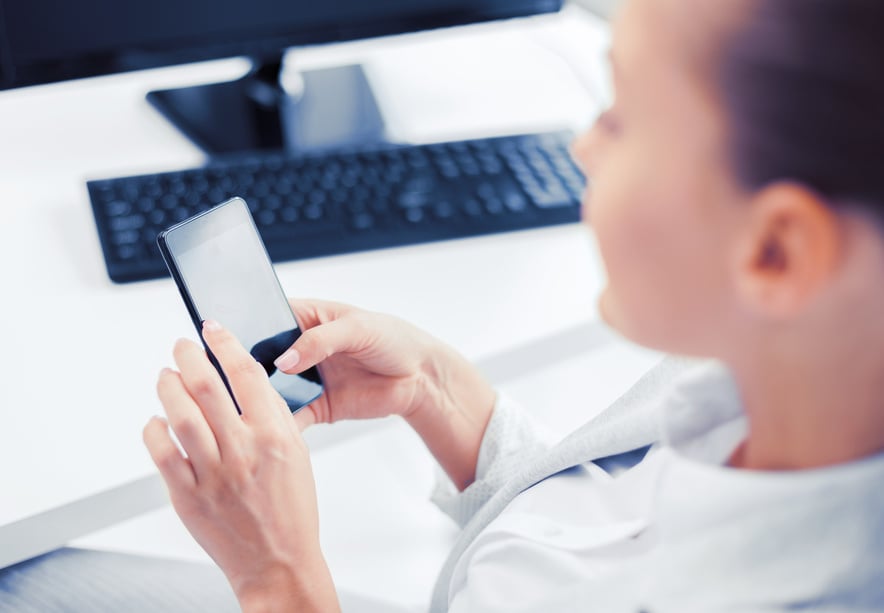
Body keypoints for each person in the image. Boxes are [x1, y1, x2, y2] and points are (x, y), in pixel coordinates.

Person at [2, 0, 883, 610]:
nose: (582, 146)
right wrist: (438, 389)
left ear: (776, 251)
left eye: (622, 118)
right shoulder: (776, 376)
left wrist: (279, 576)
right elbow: (596, 521)